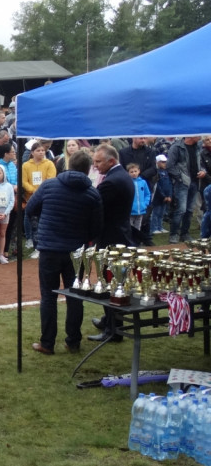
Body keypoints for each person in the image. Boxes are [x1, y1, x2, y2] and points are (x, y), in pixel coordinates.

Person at [24, 150, 103, 355]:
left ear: (68, 164)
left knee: (48, 296)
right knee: (75, 295)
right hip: (76, 250)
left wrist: (46, 221)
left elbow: (30, 209)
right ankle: (73, 341)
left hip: (50, 248)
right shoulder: (92, 193)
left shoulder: (49, 185)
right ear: (88, 169)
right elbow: (96, 227)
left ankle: (47, 343)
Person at [88, 144, 138, 344]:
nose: (95, 165)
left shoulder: (112, 182)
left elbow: (97, 207)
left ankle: (113, 330)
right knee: (115, 282)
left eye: (98, 162)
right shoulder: (121, 176)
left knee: (110, 283)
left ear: (111, 161)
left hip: (112, 238)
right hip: (119, 235)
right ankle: (109, 321)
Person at [166, 136, 201, 243]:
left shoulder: (198, 147)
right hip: (182, 183)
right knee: (181, 209)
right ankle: (174, 234)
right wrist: (180, 177)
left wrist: (203, 170)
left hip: (195, 181)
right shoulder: (176, 147)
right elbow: (170, 165)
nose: (200, 136)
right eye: (198, 134)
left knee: (190, 210)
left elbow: (201, 162)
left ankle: (185, 233)